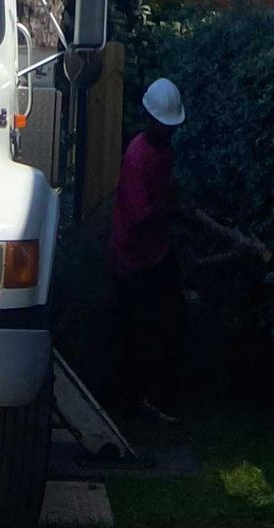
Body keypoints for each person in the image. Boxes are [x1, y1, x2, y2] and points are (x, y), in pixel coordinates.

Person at [107, 77, 189, 420]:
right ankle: (131, 401)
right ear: (150, 119)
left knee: (168, 320)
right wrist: (172, 208)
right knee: (137, 331)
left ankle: (157, 396)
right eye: (163, 125)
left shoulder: (164, 151)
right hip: (133, 258)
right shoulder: (137, 157)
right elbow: (140, 216)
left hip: (156, 250)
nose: (168, 131)